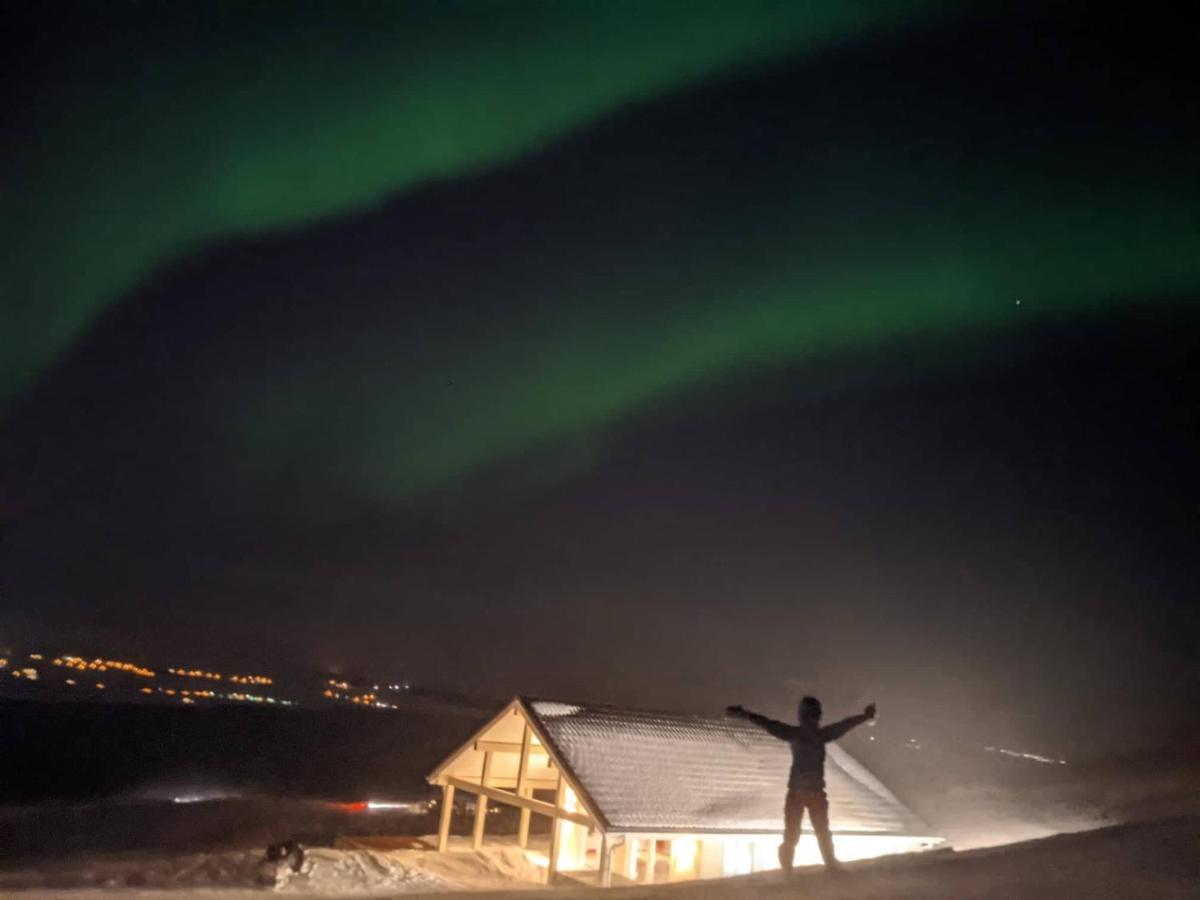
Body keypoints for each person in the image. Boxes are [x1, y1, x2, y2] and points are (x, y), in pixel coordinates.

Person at [727, 696, 875, 872]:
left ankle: (792, 868)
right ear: (817, 716)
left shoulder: (795, 734)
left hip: (799, 792)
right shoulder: (821, 735)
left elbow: (766, 723)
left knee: (796, 833)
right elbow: (845, 725)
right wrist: (865, 717)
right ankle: (827, 865)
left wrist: (744, 714)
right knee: (819, 832)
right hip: (812, 793)